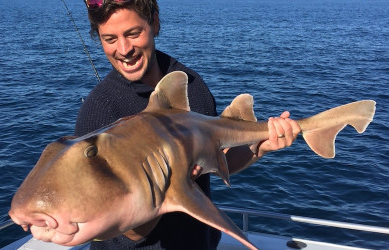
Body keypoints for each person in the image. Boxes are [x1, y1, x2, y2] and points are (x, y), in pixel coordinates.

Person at [75, 0, 301, 249]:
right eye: (110, 39)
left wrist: (262, 146)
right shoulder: (100, 112)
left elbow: (219, 159)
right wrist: (169, 185)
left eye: (133, 33)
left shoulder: (192, 85)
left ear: (154, 23)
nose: (124, 49)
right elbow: (125, 232)